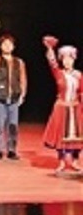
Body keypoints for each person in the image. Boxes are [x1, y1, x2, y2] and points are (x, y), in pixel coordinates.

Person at [0, 24, 27, 160]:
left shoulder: (19, 62)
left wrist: (22, 94)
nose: (7, 46)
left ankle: (12, 150)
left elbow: (23, 79)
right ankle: (0, 150)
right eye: (4, 44)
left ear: (13, 46)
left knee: (13, 125)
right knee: (0, 126)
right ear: (1, 46)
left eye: (10, 44)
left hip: (14, 98)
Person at [41, 38, 83, 173]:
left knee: (77, 135)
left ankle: (75, 161)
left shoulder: (79, 75)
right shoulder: (59, 73)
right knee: (61, 135)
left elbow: (82, 91)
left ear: (74, 59)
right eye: (64, 58)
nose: (67, 61)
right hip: (61, 107)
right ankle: (61, 162)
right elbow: (52, 62)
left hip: (75, 107)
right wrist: (49, 48)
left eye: (70, 58)